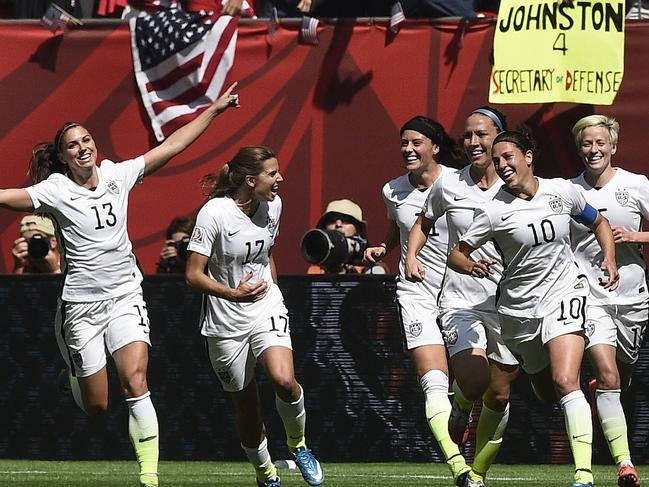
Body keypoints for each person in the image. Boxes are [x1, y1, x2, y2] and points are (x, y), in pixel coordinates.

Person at [0, 82, 241, 487]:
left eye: (87, 140)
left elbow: (174, 145)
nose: (83, 148)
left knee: (136, 381)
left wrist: (214, 109)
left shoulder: (118, 174)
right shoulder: (54, 190)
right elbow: (7, 196)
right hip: (80, 307)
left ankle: (149, 478)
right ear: (62, 157)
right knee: (97, 406)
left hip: (125, 296)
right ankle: (76, 376)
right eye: (73, 145)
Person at [448, 130, 619, 487]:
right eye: (497, 161)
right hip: (517, 311)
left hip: (564, 293)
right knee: (505, 393)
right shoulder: (493, 210)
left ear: (528, 156)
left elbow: (599, 222)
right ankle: (477, 473)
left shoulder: (562, 191)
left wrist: (609, 258)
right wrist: (469, 265)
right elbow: (457, 253)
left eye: (508, 157)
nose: (502, 165)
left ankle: (584, 476)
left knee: (565, 380)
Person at [185, 146, 324, 487]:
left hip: (265, 306)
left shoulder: (274, 205)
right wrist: (233, 293)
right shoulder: (214, 213)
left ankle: (299, 445)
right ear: (250, 180)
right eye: (272, 173)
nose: (280, 178)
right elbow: (193, 274)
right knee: (247, 408)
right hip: (225, 321)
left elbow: (266, 254)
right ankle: (266, 474)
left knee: (284, 380)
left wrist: (271, 296)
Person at [364, 115, 480, 487]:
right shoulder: (392, 190)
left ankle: (461, 409)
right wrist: (385, 246)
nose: (408, 149)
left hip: (463, 293)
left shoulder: (459, 183)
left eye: (416, 142)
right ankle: (458, 466)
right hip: (416, 292)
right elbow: (398, 226)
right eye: (404, 143)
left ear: (434, 147)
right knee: (432, 380)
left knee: (475, 384)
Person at [405, 107, 519, 485]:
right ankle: (459, 406)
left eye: (482, 135)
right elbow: (424, 222)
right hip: (460, 301)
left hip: (510, 303)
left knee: (499, 397)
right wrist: (411, 255)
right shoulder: (449, 184)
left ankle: (478, 474)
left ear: (500, 138)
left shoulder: (520, 187)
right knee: (472, 380)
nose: (473, 142)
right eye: (468, 135)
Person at [570, 115, 644, 487]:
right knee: (609, 372)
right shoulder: (569, 191)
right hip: (589, 295)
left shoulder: (637, 184)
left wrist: (634, 235)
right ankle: (625, 465)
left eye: (600, 143)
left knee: (621, 375)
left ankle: (606, 390)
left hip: (633, 296)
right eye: (586, 144)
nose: (593, 150)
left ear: (613, 146)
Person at [306, 198, 387, 275]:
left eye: (345, 220)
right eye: (332, 220)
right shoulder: (316, 271)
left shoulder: (373, 268)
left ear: (358, 228)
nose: (338, 225)